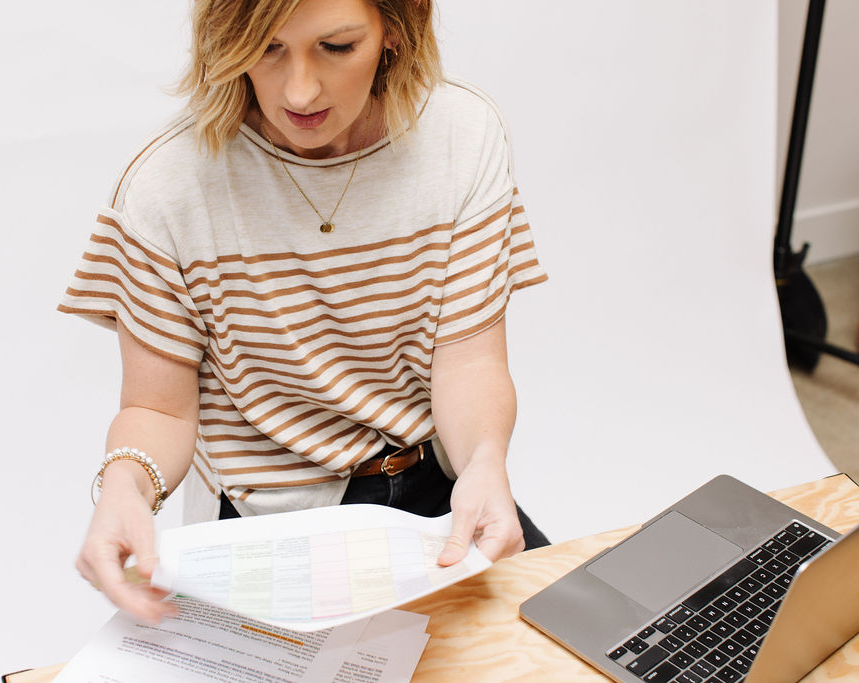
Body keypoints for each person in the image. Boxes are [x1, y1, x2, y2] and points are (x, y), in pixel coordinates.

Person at [59, 0, 549, 624]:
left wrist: (484, 463)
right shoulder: (168, 186)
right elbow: (157, 407)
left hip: (437, 490)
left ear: (395, 30)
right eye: (267, 48)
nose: (300, 89)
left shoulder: (462, 136)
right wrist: (125, 487)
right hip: (274, 527)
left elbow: (469, 362)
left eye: (337, 47)